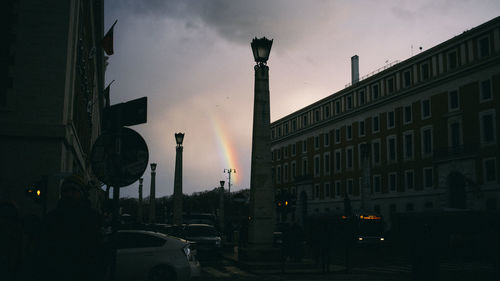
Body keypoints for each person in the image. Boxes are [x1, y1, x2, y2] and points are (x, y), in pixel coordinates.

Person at [35, 174, 103, 281]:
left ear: (83, 193)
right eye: (65, 190)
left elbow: (98, 253)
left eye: (74, 190)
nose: (69, 194)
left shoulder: (93, 219)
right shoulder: (51, 219)